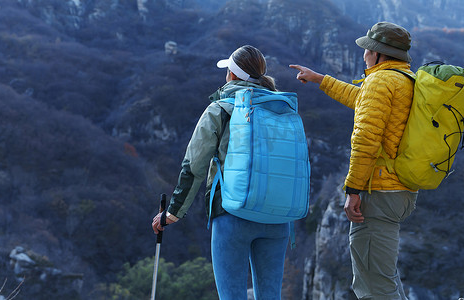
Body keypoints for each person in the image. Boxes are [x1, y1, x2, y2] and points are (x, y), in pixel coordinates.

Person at [151, 45, 292, 300]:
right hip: (277, 215)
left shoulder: (220, 108)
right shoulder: (282, 108)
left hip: (232, 213)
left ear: (232, 74)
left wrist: (172, 213)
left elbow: (194, 165)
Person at [290, 22, 418, 300]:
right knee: (384, 277)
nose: (363, 55)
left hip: (379, 191)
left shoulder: (381, 81)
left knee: (374, 286)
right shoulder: (404, 79)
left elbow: (365, 140)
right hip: (401, 190)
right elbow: (361, 99)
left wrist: (353, 190)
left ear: (378, 53)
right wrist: (320, 79)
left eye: (367, 50)